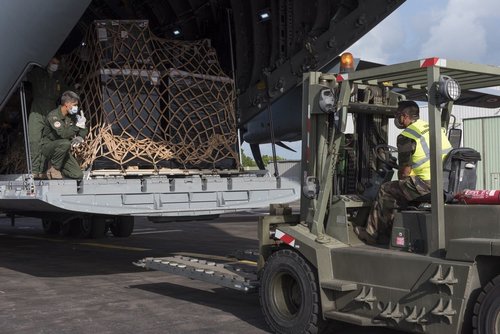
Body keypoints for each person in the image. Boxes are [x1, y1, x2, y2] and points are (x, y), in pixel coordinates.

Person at [355, 100, 452, 244]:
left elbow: (404, 173)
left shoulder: (407, 136)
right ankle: (395, 227)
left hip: (426, 184)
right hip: (444, 181)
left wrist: (400, 170)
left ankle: (373, 234)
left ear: (404, 116)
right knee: (401, 189)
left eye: (397, 115)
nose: (396, 119)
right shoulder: (434, 128)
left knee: (385, 189)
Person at [26, 56, 70, 179]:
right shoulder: (37, 73)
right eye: (53, 62)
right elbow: (25, 76)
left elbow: (66, 91)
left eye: (57, 63)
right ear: (48, 62)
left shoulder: (58, 78)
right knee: (34, 139)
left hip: (51, 110)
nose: (55, 65)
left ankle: (45, 170)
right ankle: (35, 170)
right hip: (37, 109)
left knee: (49, 140)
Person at [41, 91, 88, 179]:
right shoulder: (54, 116)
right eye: (74, 105)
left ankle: (53, 171)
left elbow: (83, 128)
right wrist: (76, 127)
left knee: (78, 174)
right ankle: (54, 168)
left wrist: (80, 136)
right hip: (48, 147)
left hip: (63, 150)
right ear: (66, 104)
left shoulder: (72, 116)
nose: (76, 107)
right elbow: (63, 134)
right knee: (66, 143)